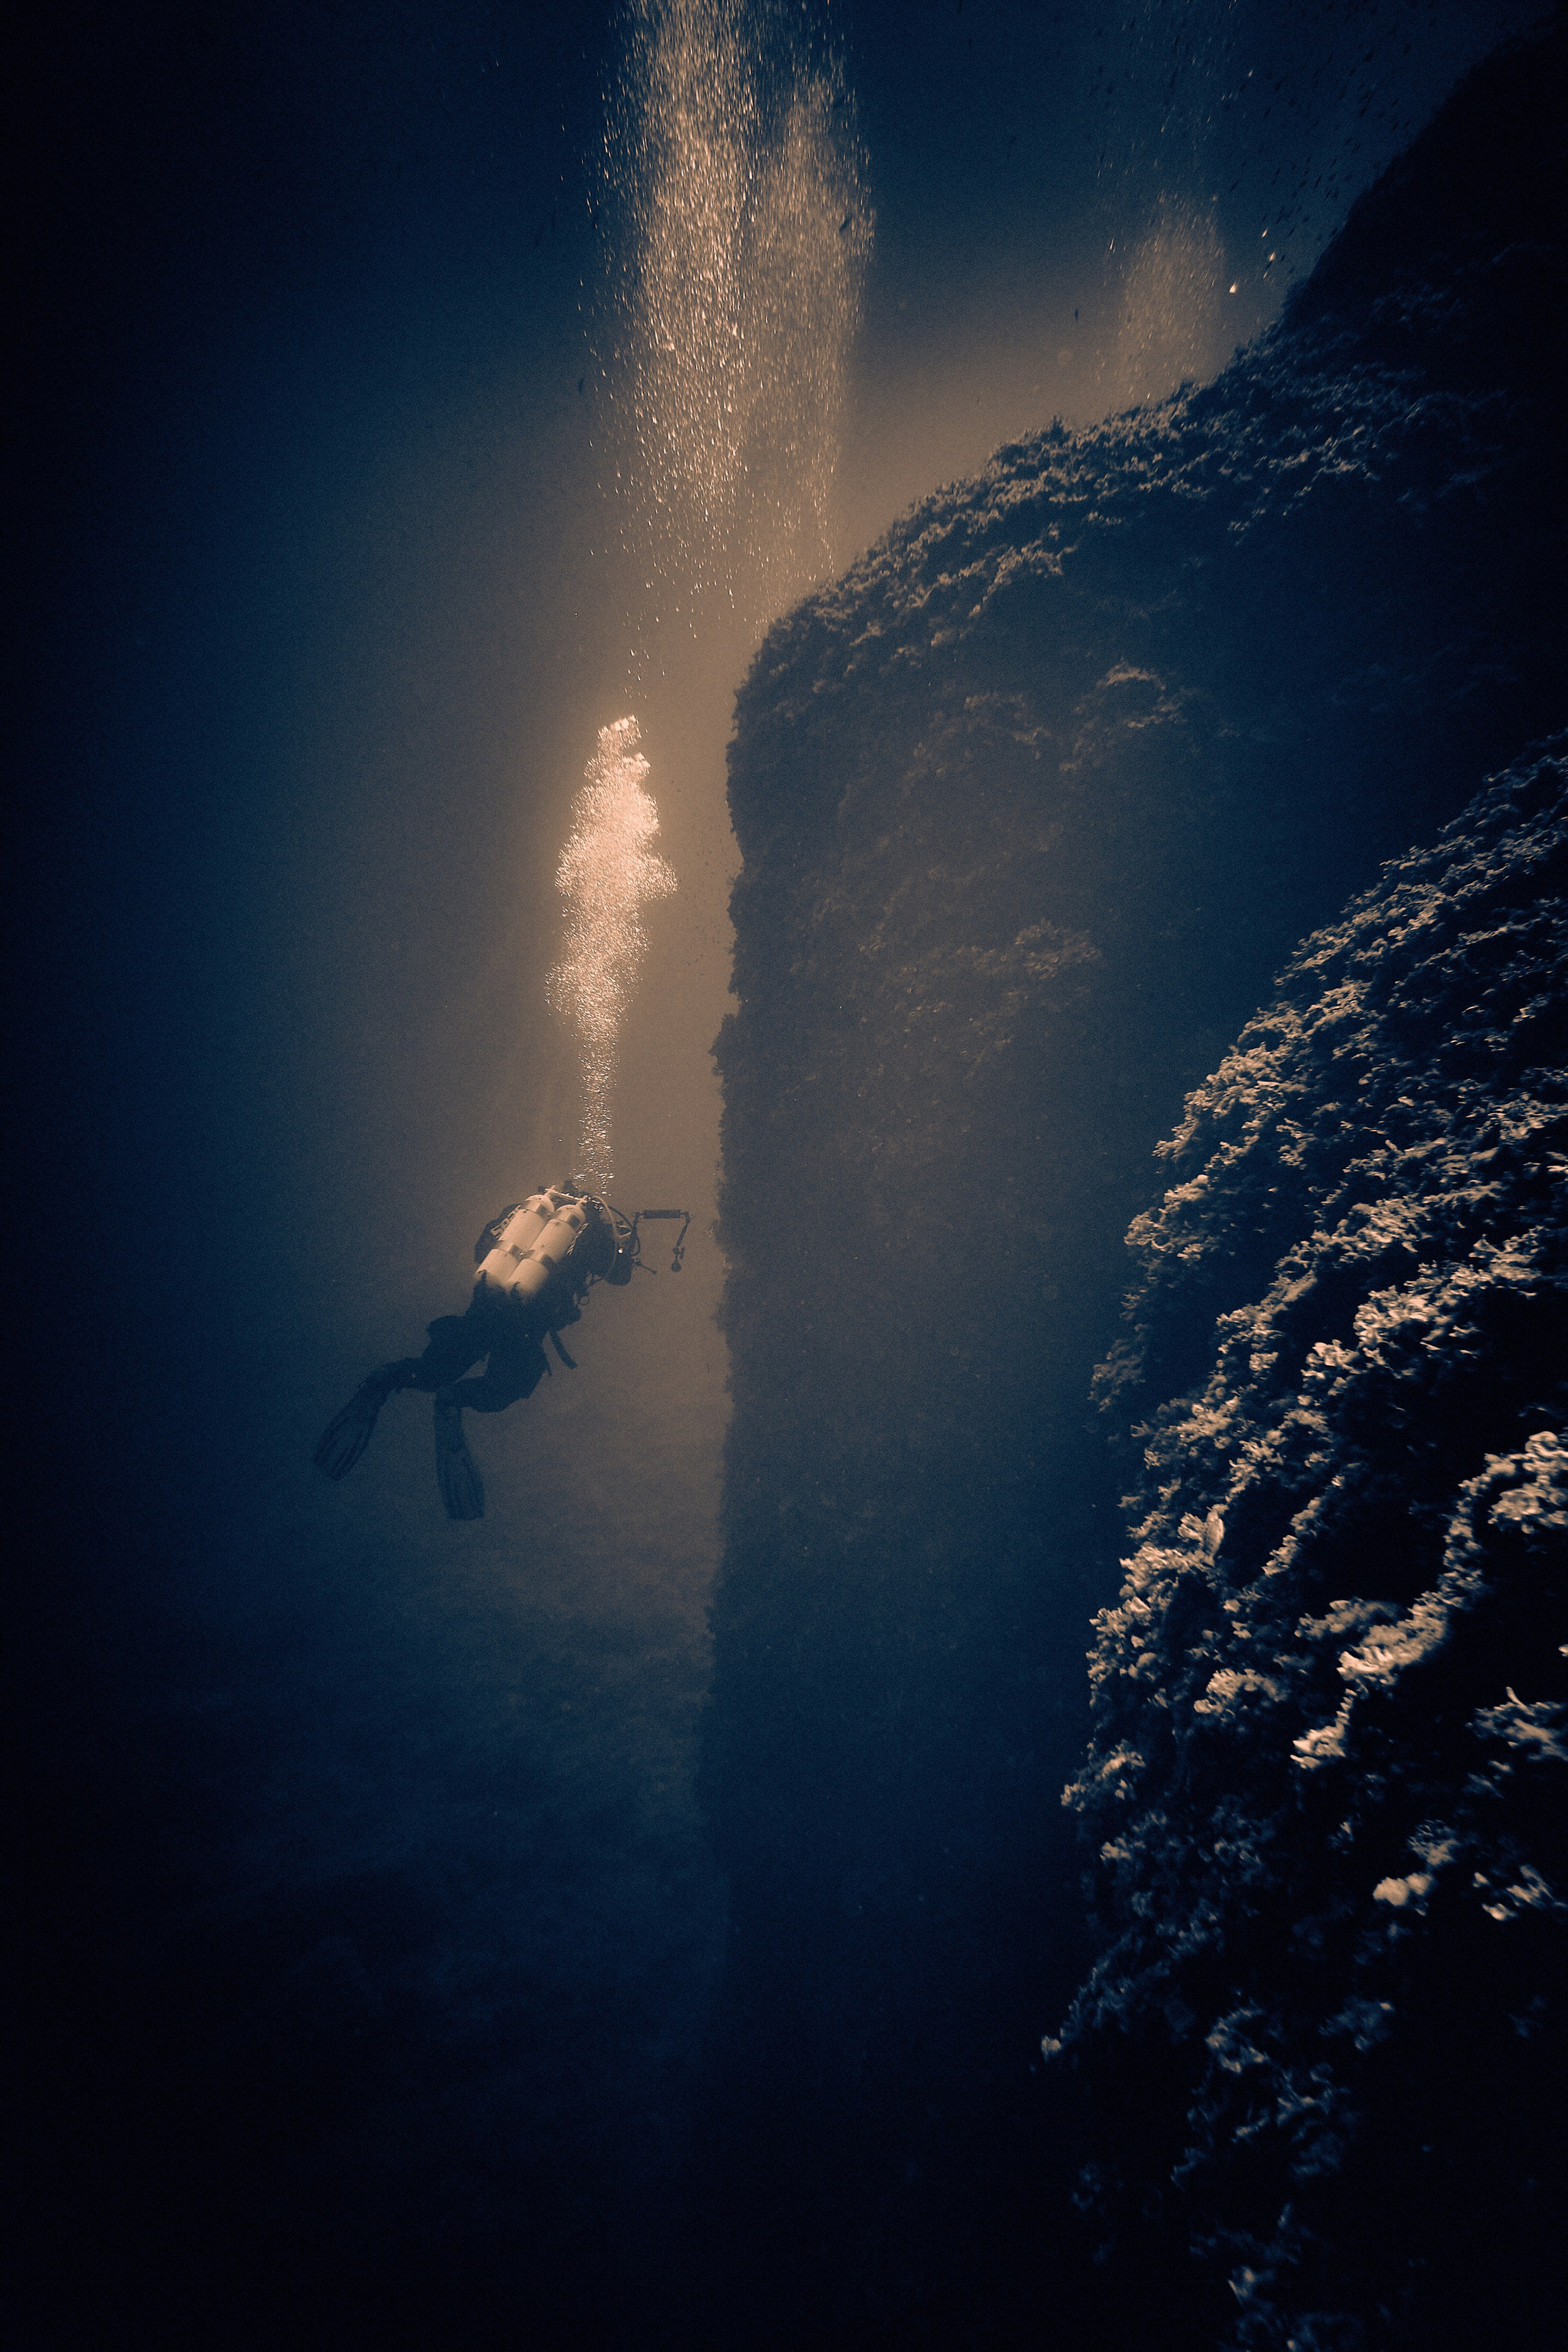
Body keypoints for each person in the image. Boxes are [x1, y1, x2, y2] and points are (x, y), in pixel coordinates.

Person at [313, 1180, 632, 1520]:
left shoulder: (523, 1211)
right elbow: (620, 1275)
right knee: (504, 1388)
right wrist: (617, 1241)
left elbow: (483, 1250)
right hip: (524, 1328)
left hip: (483, 1308)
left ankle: (383, 1381)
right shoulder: (592, 1229)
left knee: (432, 1370)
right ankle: (453, 1402)